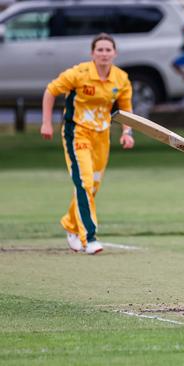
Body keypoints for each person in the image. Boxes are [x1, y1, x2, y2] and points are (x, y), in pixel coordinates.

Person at [40, 33, 135, 255]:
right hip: (77, 133)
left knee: (93, 185)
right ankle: (89, 237)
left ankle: (70, 225)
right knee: (83, 182)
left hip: (102, 136)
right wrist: (46, 123)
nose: (104, 54)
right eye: (99, 50)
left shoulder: (121, 78)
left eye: (108, 50)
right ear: (92, 53)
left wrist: (127, 132)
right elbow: (50, 91)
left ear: (115, 53)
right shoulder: (78, 73)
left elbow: (125, 108)